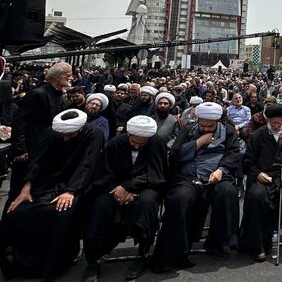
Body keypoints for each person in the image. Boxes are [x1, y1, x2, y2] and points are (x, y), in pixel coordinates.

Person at [0, 109, 104, 279]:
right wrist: (26, 188)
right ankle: (19, 264)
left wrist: (71, 191)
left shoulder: (94, 134)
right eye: (62, 135)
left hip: (77, 184)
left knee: (61, 213)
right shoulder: (52, 132)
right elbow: (36, 161)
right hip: (45, 183)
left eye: (70, 135)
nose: (65, 139)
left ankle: (52, 265)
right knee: (16, 212)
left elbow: (87, 165)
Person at [150, 102, 241, 273]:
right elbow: (174, 154)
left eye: (210, 126)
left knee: (227, 192)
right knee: (179, 198)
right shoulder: (188, 129)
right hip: (188, 178)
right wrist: (198, 143)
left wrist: (221, 170)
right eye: (203, 125)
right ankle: (176, 252)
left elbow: (233, 153)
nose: (206, 128)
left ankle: (216, 242)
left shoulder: (228, 130)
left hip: (216, 177)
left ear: (217, 122)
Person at [82, 115, 167, 281]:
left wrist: (129, 187)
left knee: (147, 204)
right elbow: (104, 172)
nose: (137, 146)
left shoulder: (157, 143)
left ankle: (142, 253)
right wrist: (118, 189)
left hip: (146, 186)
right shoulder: (115, 143)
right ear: (128, 134)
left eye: (142, 143)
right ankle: (93, 258)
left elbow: (156, 173)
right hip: (114, 186)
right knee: (100, 206)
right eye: (134, 142)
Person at [241, 103, 282, 261]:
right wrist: (258, 174)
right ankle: (257, 244)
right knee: (256, 196)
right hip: (265, 176)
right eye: (274, 123)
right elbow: (248, 162)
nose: (277, 126)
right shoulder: (258, 135)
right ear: (268, 120)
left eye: (280, 122)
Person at [8, 62, 71, 201]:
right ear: (58, 77)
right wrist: (20, 149)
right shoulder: (38, 94)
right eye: (68, 75)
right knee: (18, 191)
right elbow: (21, 122)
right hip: (30, 150)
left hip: (46, 151)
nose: (71, 78)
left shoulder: (59, 96)